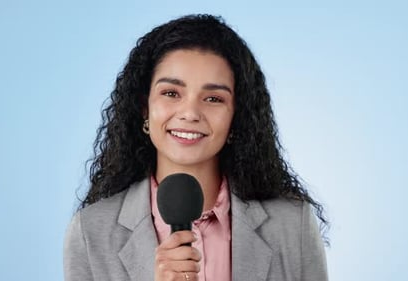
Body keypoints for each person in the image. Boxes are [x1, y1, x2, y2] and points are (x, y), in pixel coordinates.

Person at [64, 14, 329, 281]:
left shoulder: (294, 225)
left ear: (237, 116)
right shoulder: (90, 232)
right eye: (171, 93)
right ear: (145, 107)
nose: (190, 112)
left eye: (213, 98)